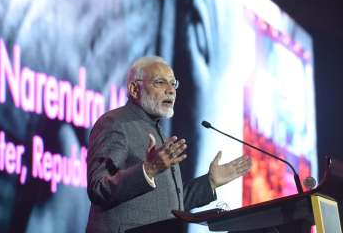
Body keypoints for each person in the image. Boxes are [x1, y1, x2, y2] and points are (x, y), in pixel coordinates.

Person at [86, 56, 252, 233]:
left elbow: (169, 205)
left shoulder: (158, 132)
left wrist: (209, 183)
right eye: (160, 82)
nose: (171, 90)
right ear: (134, 89)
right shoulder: (115, 123)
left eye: (173, 84)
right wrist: (148, 170)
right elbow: (98, 189)